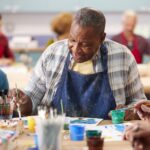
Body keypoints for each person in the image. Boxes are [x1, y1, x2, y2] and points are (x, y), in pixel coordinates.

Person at [9, 8, 146, 118]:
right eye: (72, 40)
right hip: (58, 132)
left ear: (102, 38)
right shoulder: (53, 54)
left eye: (85, 44)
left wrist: (132, 112)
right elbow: (31, 100)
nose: (76, 50)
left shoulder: (122, 56)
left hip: (106, 136)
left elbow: (138, 102)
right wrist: (23, 102)